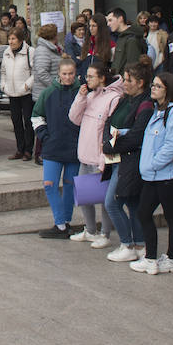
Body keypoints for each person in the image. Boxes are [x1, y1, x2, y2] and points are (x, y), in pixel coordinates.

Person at [129, 72, 173, 275]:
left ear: (168, 90)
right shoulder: (157, 110)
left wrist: (153, 164)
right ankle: (151, 258)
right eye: (153, 85)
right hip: (153, 175)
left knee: (171, 217)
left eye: (158, 86)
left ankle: (171, 259)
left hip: (168, 176)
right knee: (143, 213)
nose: (153, 88)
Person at [104, 57, 154, 264]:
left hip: (131, 160)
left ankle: (127, 243)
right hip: (120, 158)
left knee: (112, 203)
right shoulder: (126, 99)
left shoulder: (145, 104)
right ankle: (140, 244)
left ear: (140, 82)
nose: (124, 83)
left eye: (128, 80)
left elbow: (136, 136)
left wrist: (111, 145)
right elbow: (111, 121)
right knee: (133, 204)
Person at [68, 63, 123, 248]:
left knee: (104, 198)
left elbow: (112, 131)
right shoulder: (90, 96)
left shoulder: (114, 98)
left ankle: (105, 234)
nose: (87, 79)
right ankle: (90, 230)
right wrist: (80, 97)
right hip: (85, 153)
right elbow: (74, 118)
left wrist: (104, 157)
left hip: (101, 156)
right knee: (84, 195)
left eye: (91, 76)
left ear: (101, 78)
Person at [35, 59, 82, 239]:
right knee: (50, 185)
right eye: (64, 73)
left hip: (74, 148)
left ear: (75, 73)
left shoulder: (82, 92)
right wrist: (45, 137)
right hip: (52, 148)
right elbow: (37, 115)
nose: (68, 77)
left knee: (70, 186)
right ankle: (60, 223)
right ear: (59, 74)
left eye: (71, 73)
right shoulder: (48, 93)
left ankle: (65, 223)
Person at [1, 31, 35, 161]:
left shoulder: (30, 51)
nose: (11, 41)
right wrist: (3, 85)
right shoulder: (6, 52)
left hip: (25, 93)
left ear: (21, 40)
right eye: (9, 38)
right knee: (16, 121)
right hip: (12, 92)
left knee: (27, 121)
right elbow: (3, 71)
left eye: (13, 39)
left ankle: (28, 150)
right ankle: (19, 149)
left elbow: (35, 72)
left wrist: (27, 85)